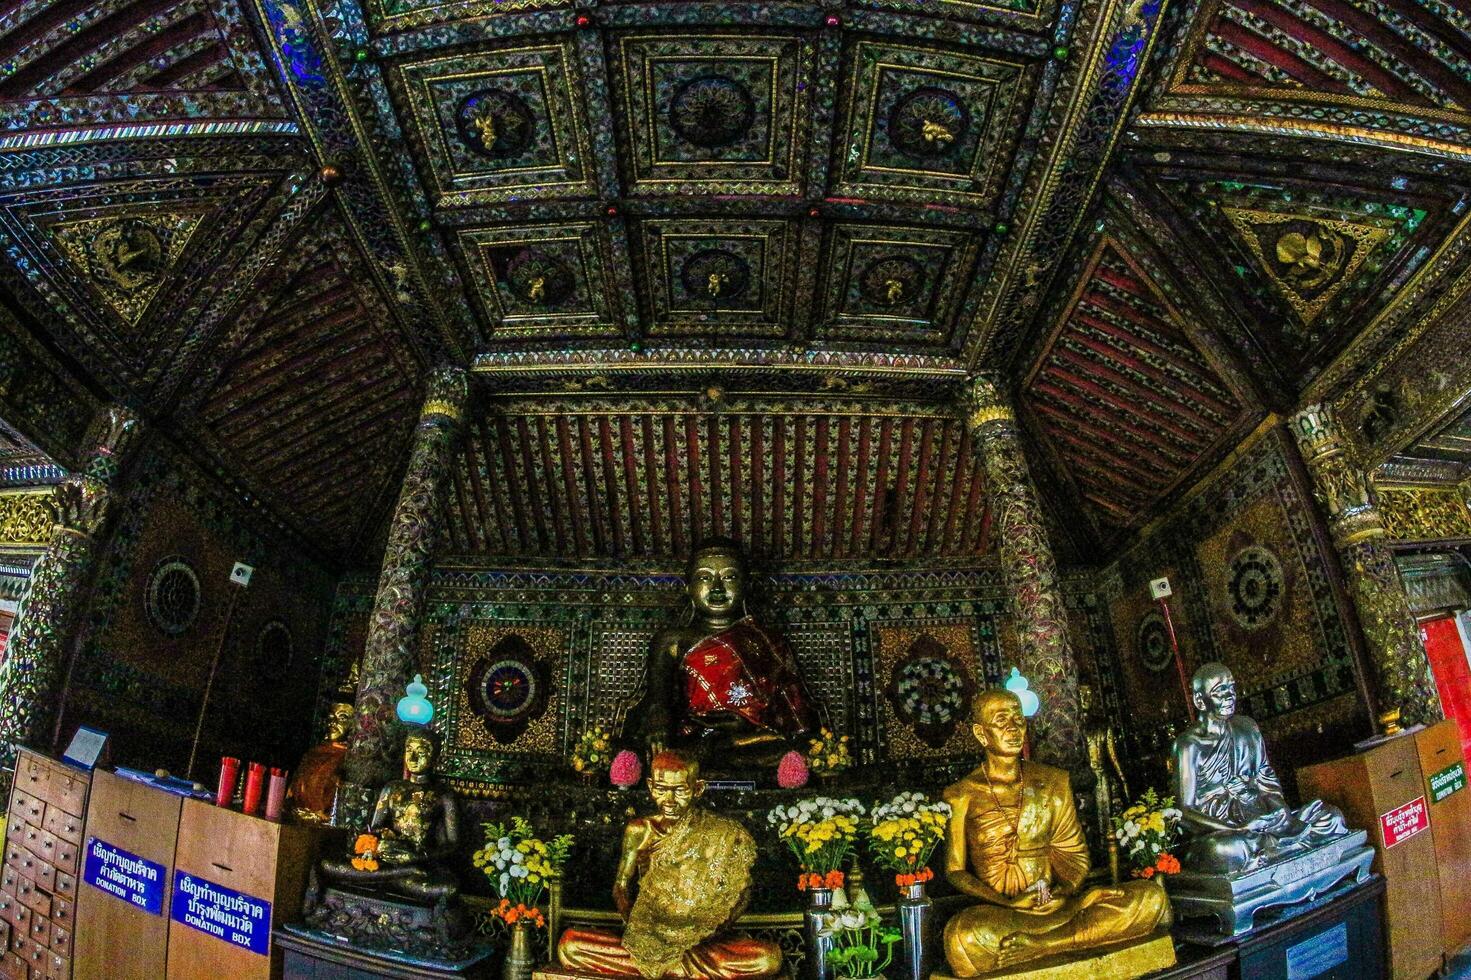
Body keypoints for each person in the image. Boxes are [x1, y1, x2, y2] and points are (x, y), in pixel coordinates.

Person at [942, 690, 1171, 976]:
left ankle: (1043, 946)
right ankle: (1053, 942)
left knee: (1150, 897)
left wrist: (1066, 892)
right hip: (1005, 915)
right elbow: (954, 870)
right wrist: (1008, 902)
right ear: (981, 733)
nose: (1014, 729)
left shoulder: (1052, 781)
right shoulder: (961, 794)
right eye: (1002, 721)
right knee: (961, 936)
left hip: (1058, 908)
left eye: (1019, 720)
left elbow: (1072, 854)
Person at [556, 751, 781, 979]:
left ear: (698, 789)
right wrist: (636, 925)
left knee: (767, 958)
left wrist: (710, 930)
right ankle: (679, 970)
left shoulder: (722, 833)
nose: (669, 800)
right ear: (651, 786)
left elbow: (743, 893)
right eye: (661, 789)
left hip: (697, 941)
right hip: (647, 937)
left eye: (680, 790)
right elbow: (621, 885)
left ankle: (670, 969)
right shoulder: (639, 831)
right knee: (570, 946)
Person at [632, 538, 816, 768]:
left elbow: (795, 717)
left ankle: (714, 756)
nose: (717, 588)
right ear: (687, 586)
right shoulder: (671, 640)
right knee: (646, 753)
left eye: (729, 577)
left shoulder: (769, 640)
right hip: (692, 737)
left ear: (746, 585)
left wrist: (747, 725)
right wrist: (658, 723)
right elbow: (657, 701)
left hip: (751, 740)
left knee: (804, 751)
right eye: (705, 577)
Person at [1172, 662, 1350, 874]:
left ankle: (1273, 851)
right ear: (1200, 700)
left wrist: (1279, 811)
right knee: (1223, 851)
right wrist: (1238, 828)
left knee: (1332, 816)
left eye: (1232, 688)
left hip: (1264, 819)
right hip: (1229, 831)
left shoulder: (1247, 728)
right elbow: (1185, 811)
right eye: (1220, 691)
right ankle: (1280, 850)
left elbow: (1265, 781)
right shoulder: (1188, 745)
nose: (1230, 696)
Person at [315, 728, 461, 903]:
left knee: (449, 888)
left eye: (421, 752)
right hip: (386, 860)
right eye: (409, 750)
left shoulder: (443, 794)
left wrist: (418, 856)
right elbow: (374, 828)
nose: (413, 758)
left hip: (418, 864)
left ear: (436, 757)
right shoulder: (392, 788)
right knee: (327, 865)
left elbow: (452, 844)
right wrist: (378, 845)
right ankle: (398, 874)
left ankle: (395, 875)